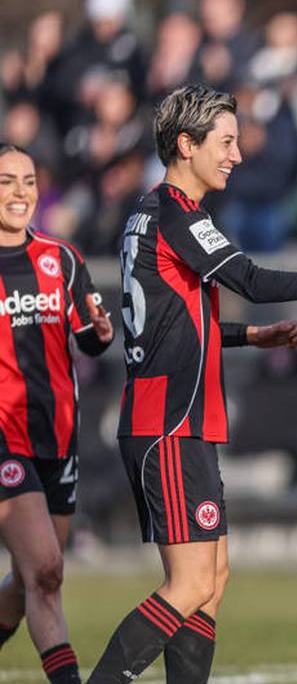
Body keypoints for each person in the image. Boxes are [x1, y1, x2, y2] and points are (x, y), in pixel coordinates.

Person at [86, 84, 297, 684]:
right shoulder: (176, 212)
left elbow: (175, 323)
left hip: (176, 419)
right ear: (185, 144)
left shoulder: (152, 213)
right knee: (191, 584)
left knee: (212, 583)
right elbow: (250, 278)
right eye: (225, 142)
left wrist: (253, 338)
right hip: (168, 422)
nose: (237, 155)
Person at [0, 144, 113, 684]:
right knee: (46, 569)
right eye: (6, 181)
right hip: (5, 439)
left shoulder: (62, 259)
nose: (19, 193)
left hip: (59, 437)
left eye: (27, 180)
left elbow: (87, 339)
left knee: (30, 583)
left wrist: (99, 334)